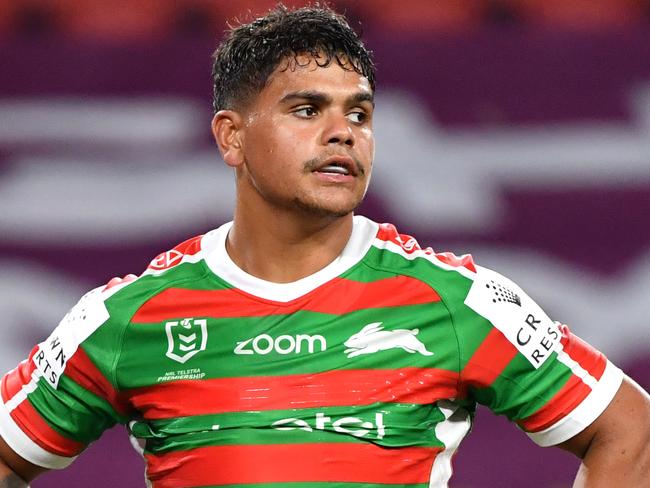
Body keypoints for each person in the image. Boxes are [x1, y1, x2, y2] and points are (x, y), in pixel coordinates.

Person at [0, 5, 649, 488]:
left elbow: (629, 430)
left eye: (360, 114)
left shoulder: (456, 302)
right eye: (307, 110)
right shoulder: (129, 318)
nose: (344, 134)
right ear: (231, 138)